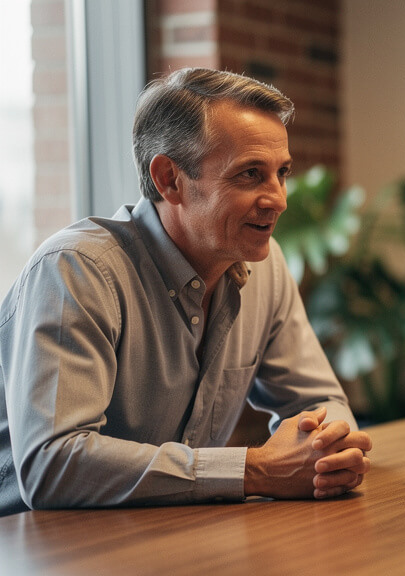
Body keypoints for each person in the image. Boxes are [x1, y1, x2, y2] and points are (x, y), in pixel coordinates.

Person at [0, 68, 371, 516]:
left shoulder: (265, 266)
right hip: (37, 548)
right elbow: (52, 465)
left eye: (282, 173)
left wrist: (329, 449)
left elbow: (320, 403)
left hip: (176, 535)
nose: (279, 198)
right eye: (251, 174)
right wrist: (253, 469)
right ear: (169, 179)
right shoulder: (75, 272)